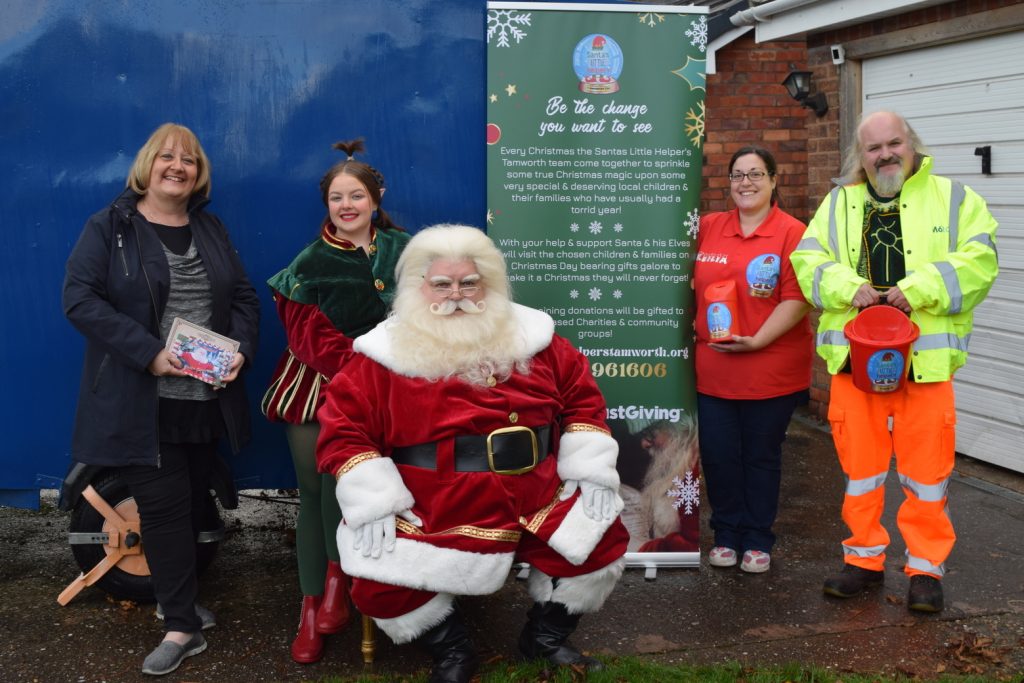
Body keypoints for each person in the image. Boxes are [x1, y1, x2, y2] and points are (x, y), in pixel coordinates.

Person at [315, 224, 628, 683]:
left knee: (602, 545)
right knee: (382, 580)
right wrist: (374, 498)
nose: (456, 294)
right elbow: (344, 431)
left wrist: (588, 464)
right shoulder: (383, 354)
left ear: (489, 284)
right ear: (420, 287)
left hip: (537, 493)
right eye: (442, 284)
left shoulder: (535, 336)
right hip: (436, 500)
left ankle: (544, 640)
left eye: (468, 282)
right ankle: (452, 650)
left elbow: (582, 397)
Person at [63, 123, 260, 675]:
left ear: (199, 175)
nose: (178, 166)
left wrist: (241, 349)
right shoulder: (110, 227)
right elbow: (79, 299)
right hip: (141, 402)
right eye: (167, 157)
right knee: (166, 513)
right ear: (147, 165)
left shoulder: (210, 226)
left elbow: (243, 295)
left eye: (190, 160)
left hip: (205, 398)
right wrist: (147, 352)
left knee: (193, 502)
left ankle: (181, 602)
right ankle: (180, 626)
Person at [791, 111, 998, 612]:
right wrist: (851, 288)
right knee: (859, 472)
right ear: (858, 157)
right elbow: (807, 262)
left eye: (894, 143)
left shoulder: (954, 199)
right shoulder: (839, 203)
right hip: (853, 367)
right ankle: (863, 559)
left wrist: (914, 291)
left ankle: (925, 569)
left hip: (924, 369)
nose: (885, 154)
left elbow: (980, 262)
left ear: (912, 144)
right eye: (873, 147)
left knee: (926, 475)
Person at [261, 139, 410, 663]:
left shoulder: (406, 250)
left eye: (356, 196)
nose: (346, 206)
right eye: (336, 198)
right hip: (316, 389)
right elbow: (310, 340)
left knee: (357, 491)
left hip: (387, 391)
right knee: (318, 487)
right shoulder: (309, 262)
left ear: (376, 197)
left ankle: (343, 585)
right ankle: (313, 605)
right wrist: (364, 366)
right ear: (326, 205)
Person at [694, 146, 813, 574]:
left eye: (756, 174)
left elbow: (798, 298)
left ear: (774, 180)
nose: (745, 182)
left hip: (770, 368)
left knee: (760, 455)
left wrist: (757, 340)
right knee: (719, 454)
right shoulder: (709, 227)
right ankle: (726, 533)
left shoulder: (792, 232)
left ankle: (759, 539)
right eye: (737, 175)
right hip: (714, 370)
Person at [618, 418, 700, 553]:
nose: (644, 443)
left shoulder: (693, 471)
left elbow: (692, 544)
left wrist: (643, 548)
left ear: (678, 429)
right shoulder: (676, 467)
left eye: (651, 434)